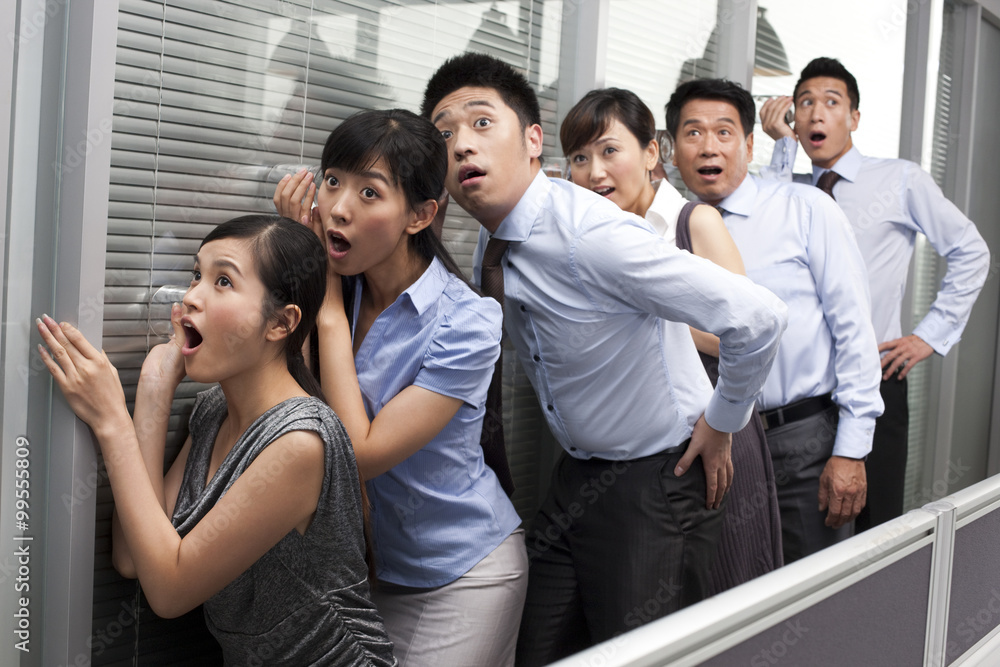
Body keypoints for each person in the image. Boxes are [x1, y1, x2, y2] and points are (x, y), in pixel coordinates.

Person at [421, 52, 788, 664]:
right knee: (537, 645)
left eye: (482, 123)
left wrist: (725, 421)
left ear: (533, 140)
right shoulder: (495, 231)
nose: (461, 144)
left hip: (658, 477)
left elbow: (759, 317)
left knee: (634, 654)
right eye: (444, 132)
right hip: (579, 475)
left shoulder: (591, 235)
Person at [38, 215, 396, 666]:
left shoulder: (302, 442)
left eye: (222, 281)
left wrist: (112, 420)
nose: (191, 297)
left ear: (280, 324)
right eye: (196, 275)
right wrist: (153, 391)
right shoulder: (213, 412)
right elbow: (134, 558)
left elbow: (170, 591)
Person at [273, 109, 527, 667]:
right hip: (373, 572)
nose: (338, 207)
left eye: (370, 192)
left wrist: (330, 311)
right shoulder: (340, 284)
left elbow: (359, 454)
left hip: (466, 573)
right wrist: (296, 257)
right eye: (333, 181)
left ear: (420, 215)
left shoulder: (468, 323)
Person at [560, 86, 783, 592]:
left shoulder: (694, 221)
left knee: (724, 587)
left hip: (714, 427)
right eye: (579, 157)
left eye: (609, 151)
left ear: (651, 153)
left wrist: (658, 313)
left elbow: (744, 337)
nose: (594, 172)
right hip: (641, 454)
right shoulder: (591, 236)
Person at [759, 57, 990, 530]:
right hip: (799, 395)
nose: (816, 113)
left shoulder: (900, 179)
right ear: (792, 120)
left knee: (873, 527)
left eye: (831, 102)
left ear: (854, 118)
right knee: (793, 531)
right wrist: (782, 152)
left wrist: (929, 336)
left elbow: (971, 250)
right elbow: (759, 233)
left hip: (873, 379)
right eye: (804, 103)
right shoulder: (783, 188)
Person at [666, 78, 884, 564]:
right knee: (720, 601)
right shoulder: (662, 232)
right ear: (670, 149)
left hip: (799, 444)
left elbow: (853, 330)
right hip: (707, 450)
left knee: (811, 601)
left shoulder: (804, 208)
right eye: (693, 133)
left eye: (724, 133)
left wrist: (851, 450)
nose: (708, 147)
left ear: (747, 145)